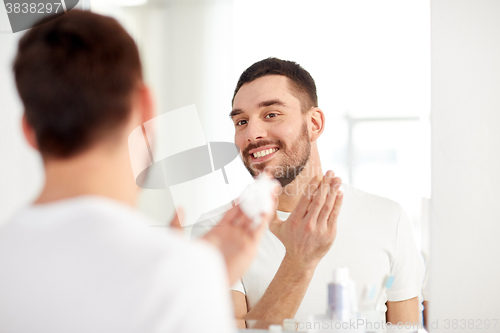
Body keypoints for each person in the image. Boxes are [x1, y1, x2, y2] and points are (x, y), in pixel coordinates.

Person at [0, 11, 273, 333]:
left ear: (28, 130)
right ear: (146, 106)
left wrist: (190, 283)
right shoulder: (175, 274)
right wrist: (192, 285)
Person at [194, 58, 425, 328]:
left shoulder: (388, 218)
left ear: (314, 123)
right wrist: (299, 261)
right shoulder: (214, 231)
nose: (252, 133)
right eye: (241, 121)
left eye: (271, 114)